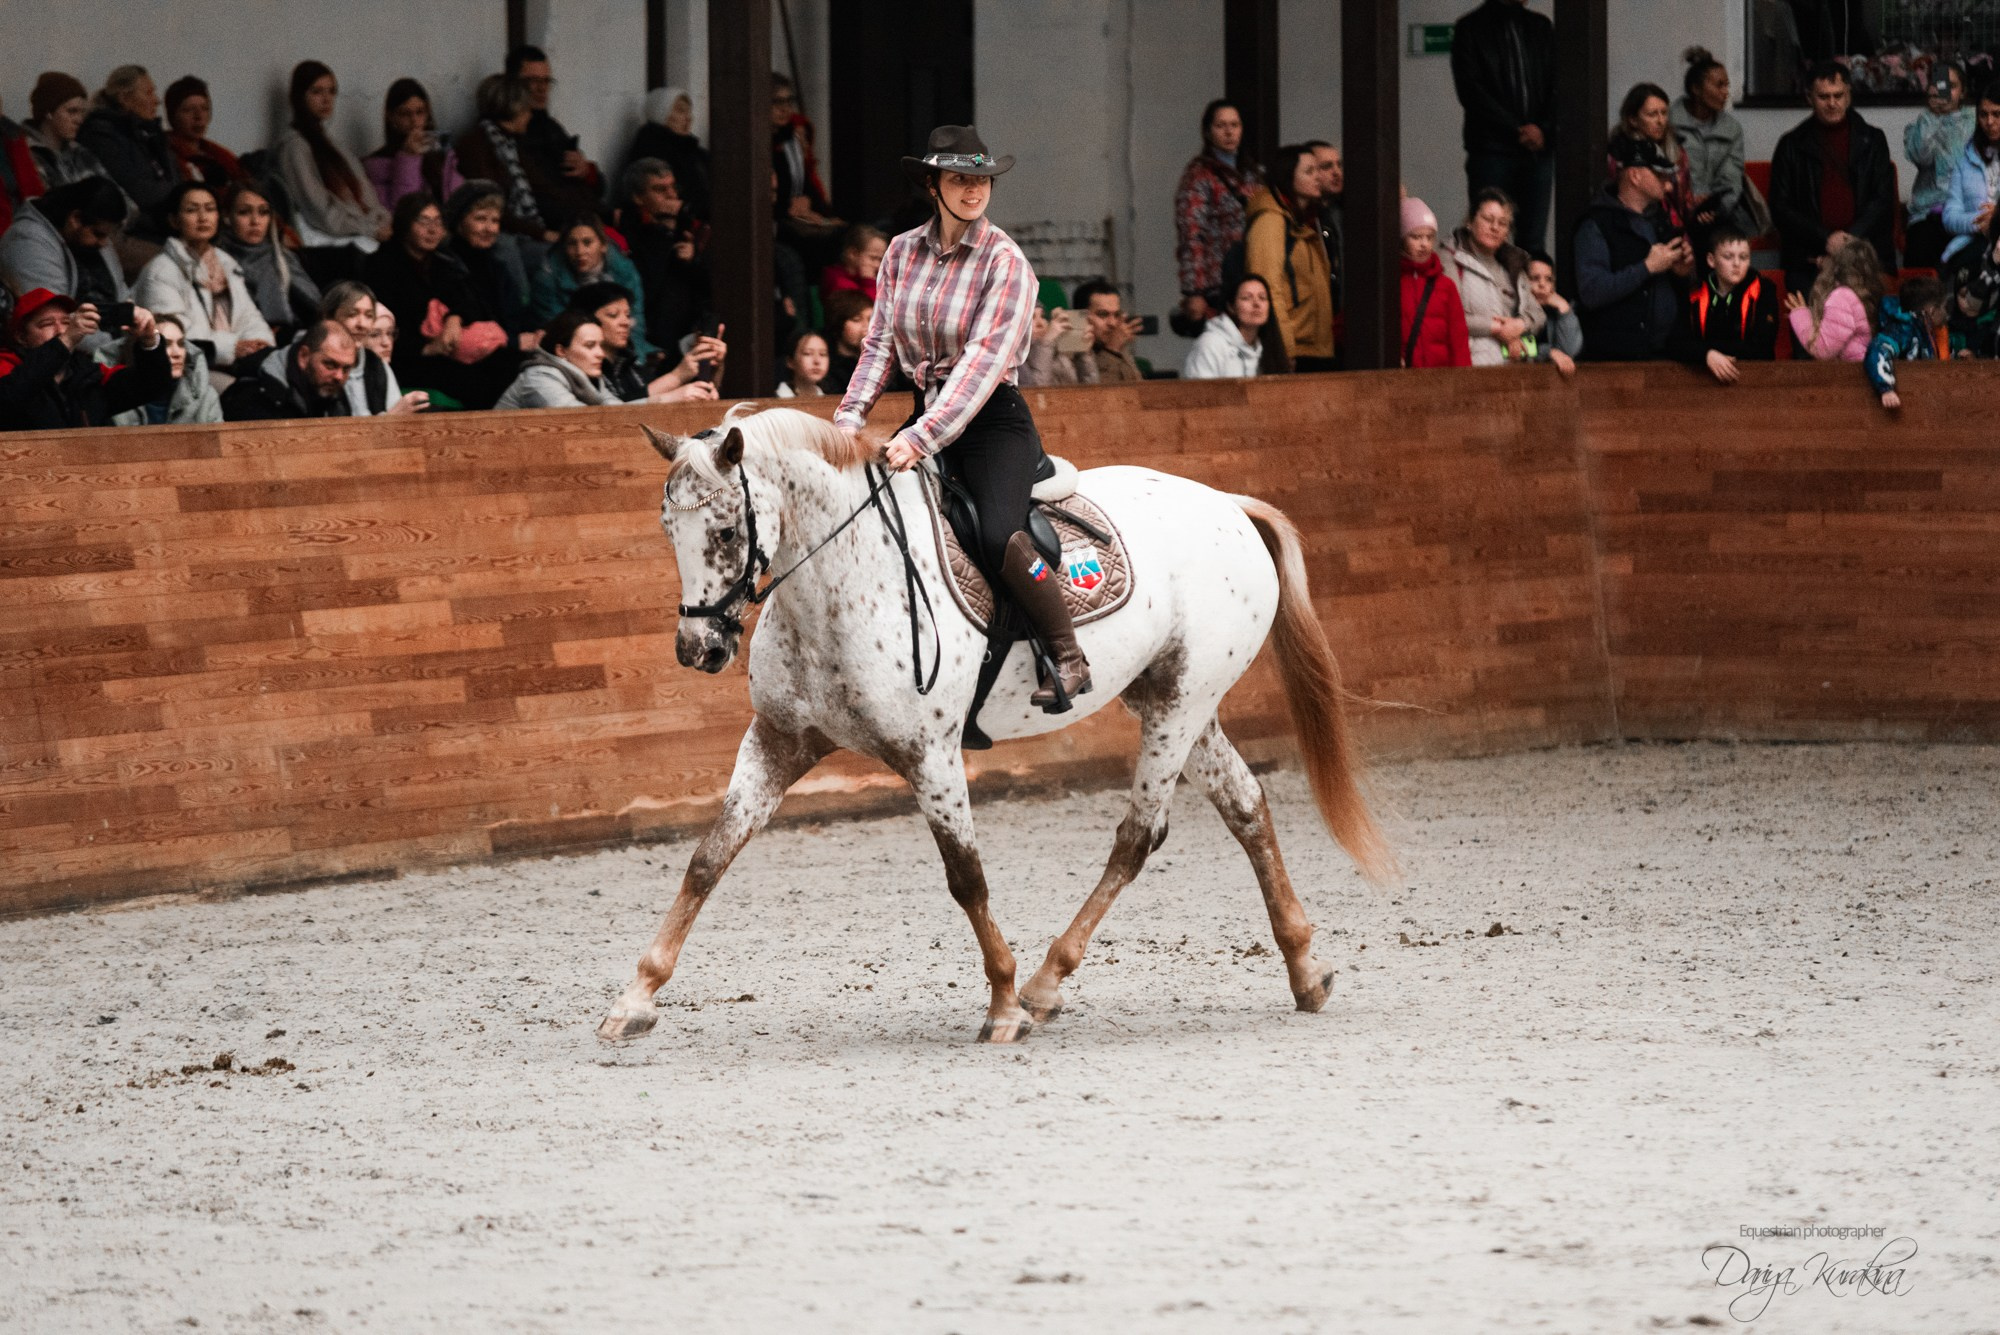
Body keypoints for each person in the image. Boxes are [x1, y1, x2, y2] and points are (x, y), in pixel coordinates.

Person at [835, 125, 1089, 711]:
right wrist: (847, 423)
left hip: (992, 421)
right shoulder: (900, 253)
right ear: (934, 185)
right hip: (928, 412)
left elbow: (981, 365)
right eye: (959, 179)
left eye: (981, 180)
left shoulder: (1007, 263)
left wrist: (922, 437)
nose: (974, 190)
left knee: (1000, 532)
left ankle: (1068, 653)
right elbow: (880, 347)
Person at [364, 191, 519, 410]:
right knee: (474, 382)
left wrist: (454, 318)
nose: (432, 229)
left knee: (510, 362)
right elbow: (384, 324)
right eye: (424, 221)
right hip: (410, 356)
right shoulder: (381, 266)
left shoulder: (444, 263)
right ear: (405, 224)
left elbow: (469, 302)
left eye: (437, 222)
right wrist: (427, 348)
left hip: (452, 347)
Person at [1768, 61, 1896, 293]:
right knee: (1809, 326)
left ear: (1848, 96)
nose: (1832, 103)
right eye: (1823, 97)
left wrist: (1848, 241)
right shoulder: (1791, 144)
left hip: (1863, 253)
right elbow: (1780, 207)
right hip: (1809, 259)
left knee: (1866, 325)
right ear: (1809, 98)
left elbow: (1884, 199)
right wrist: (1825, 239)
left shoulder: (1873, 140)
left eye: (1838, 95)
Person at [1451, 0, 1557, 254]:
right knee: (1488, 237)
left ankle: (1528, 293)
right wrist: (1518, 130)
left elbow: (1557, 84)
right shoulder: (1470, 28)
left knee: (1532, 242)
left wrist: (1543, 129)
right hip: (1492, 150)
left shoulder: (1540, 27)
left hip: (1537, 152)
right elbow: (1472, 92)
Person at [1574, 135, 1692, 361]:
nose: (1668, 185)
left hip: (1666, 353)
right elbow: (1591, 291)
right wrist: (1646, 267)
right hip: (1615, 360)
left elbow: (1677, 285)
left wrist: (1683, 271)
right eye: (1659, 176)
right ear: (1635, 176)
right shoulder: (1595, 224)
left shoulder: (1661, 219)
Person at [132, 180, 274, 366]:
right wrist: (232, 347)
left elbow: (249, 316)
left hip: (232, 360)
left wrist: (259, 342)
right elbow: (173, 330)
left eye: (210, 209)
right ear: (174, 220)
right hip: (185, 366)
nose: (203, 217)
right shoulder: (160, 271)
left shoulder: (225, 263)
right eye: (192, 210)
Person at [274, 62, 392, 275]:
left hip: (362, 231)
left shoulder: (334, 145)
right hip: (336, 240)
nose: (326, 99)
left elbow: (366, 194)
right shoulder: (295, 147)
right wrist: (371, 229)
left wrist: (381, 220)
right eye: (317, 92)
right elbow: (319, 210)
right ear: (300, 96)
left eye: (331, 91)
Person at [0, 289, 169, 431]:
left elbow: (151, 385)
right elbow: (9, 396)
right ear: (21, 337)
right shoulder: (8, 366)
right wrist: (66, 341)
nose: (60, 330)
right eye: (47, 324)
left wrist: (149, 339)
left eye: (67, 322)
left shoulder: (88, 373)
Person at [1243, 144, 1335, 371]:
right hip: (1294, 347)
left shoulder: (1306, 221)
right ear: (1288, 177)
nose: (1318, 177)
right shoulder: (1271, 221)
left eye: (1317, 170)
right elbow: (1268, 286)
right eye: (1309, 172)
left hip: (1315, 346)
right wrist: (1284, 348)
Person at [1173, 99, 1259, 328]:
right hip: (1217, 280)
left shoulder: (1252, 173)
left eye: (1235, 125)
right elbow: (1191, 234)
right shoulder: (1199, 176)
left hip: (1253, 273)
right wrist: (1195, 291)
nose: (1229, 132)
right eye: (1221, 126)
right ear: (1208, 132)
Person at [566, 279, 721, 404]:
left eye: (627, 315)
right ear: (587, 320)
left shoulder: (630, 364)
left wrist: (713, 365)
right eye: (613, 315)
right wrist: (678, 376)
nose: (625, 322)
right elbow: (613, 411)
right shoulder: (580, 365)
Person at [612, 158, 708, 355]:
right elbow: (649, 284)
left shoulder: (689, 226)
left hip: (692, 327)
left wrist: (693, 260)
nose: (672, 195)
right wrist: (663, 235)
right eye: (660, 190)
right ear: (638, 198)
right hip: (651, 329)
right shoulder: (627, 230)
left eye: (673, 187)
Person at [0, 176, 129, 321]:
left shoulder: (93, 237)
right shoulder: (27, 244)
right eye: (98, 234)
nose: (104, 243)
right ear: (76, 219)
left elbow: (122, 296)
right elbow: (53, 322)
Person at [453, 75, 560, 246]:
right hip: (501, 235)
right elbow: (491, 203)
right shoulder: (476, 146)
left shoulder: (512, 144)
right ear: (514, 108)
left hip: (528, 231)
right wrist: (542, 233)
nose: (530, 116)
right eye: (526, 109)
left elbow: (546, 189)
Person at [529, 214, 656, 358]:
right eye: (572, 244)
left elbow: (635, 322)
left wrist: (634, 360)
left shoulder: (624, 271)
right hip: (574, 351)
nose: (580, 251)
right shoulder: (548, 276)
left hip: (621, 347)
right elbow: (557, 330)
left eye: (587, 242)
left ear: (603, 246)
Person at [1443, 188, 1545, 366]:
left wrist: (1519, 326)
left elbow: (1538, 315)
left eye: (1503, 223)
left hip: (1514, 369)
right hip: (1469, 367)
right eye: (1488, 219)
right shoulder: (1451, 258)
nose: (1495, 227)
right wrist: (1497, 329)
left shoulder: (1513, 264)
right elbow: (1448, 315)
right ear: (1470, 221)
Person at [504, 45, 604, 221]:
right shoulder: (508, 133)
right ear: (513, 83)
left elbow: (596, 184)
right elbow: (544, 193)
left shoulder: (551, 127)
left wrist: (586, 171)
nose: (541, 89)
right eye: (532, 81)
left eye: (546, 81)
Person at [1668, 227, 1780, 383]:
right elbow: (1676, 342)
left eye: (1744, 257)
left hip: (1756, 380)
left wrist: (1708, 349)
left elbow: (1762, 348)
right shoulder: (1695, 293)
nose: (1737, 263)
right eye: (1728, 257)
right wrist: (1707, 354)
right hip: (1702, 382)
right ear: (1711, 260)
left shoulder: (1764, 290)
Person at [77, 66, 177, 240]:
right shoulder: (101, 135)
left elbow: (175, 179)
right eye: (148, 93)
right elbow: (139, 192)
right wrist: (178, 200)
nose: (157, 100)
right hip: (131, 232)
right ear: (124, 98)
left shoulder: (150, 134)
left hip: (165, 225)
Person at [215, 180, 320, 342]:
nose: (255, 221)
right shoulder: (214, 258)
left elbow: (316, 304)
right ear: (227, 216)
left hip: (287, 337)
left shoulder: (281, 257)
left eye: (263, 212)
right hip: (237, 342)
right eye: (244, 212)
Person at [1673, 48, 1760, 242]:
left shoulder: (1731, 129)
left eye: (1727, 86)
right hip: (1677, 210)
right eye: (1719, 86)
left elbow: (1731, 178)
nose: (1725, 93)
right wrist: (1691, 201)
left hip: (1718, 213)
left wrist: (1715, 209)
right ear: (1696, 89)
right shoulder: (1670, 124)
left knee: (1719, 236)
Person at [316, 279, 426, 415]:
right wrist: (390, 419)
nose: (362, 324)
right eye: (352, 314)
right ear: (328, 317)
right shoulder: (314, 362)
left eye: (369, 316)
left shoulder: (376, 365)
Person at [443, 181, 532, 345]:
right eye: (481, 218)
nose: (490, 228)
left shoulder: (497, 265)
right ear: (460, 221)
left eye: (495, 221)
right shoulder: (447, 265)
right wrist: (514, 343)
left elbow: (515, 317)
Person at [1903, 64, 1975, 269]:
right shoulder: (1920, 124)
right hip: (1930, 213)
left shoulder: (1977, 123)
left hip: (1969, 212)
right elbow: (1921, 157)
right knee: (1920, 250)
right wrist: (1933, 117)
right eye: (1939, 85)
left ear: (1963, 92)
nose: (1945, 92)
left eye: (1951, 86)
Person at [218, 318, 357, 420]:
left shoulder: (330, 389)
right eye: (330, 365)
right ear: (304, 356)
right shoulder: (255, 392)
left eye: (346, 369)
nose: (339, 376)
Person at [1612, 84, 1701, 238]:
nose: (1660, 121)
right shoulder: (1621, 155)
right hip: (1637, 230)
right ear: (1633, 120)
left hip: (1676, 231)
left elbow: (1686, 202)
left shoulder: (1677, 152)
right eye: (1652, 114)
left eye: (1664, 113)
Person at [364, 79, 464, 213]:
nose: (415, 121)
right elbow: (403, 210)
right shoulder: (377, 165)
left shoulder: (442, 154)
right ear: (391, 117)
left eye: (420, 112)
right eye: (405, 114)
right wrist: (408, 158)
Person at [494, 308, 620, 409]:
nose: (601, 354)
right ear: (561, 351)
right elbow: (581, 422)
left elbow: (622, 412)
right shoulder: (538, 378)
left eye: (601, 345)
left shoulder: (589, 378)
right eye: (590, 346)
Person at [111, 314, 223, 425]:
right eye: (165, 345)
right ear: (141, 351)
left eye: (181, 344)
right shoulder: (113, 396)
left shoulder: (206, 397)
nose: (177, 353)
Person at [1784, 233, 1882, 361]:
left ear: (1837, 265)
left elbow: (1823, 349)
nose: (1820, 260)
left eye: (1828, 256)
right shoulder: (1865, 291)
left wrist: (1800, 314)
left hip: (1852, 374)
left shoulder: (1843, 297)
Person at [1399, 198, 1472, 369]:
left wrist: (1463, 381)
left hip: (1440, 379)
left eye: (1430, 237)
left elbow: (1458, 340)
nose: (1424, 244)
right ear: (1402, 238)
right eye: (1416, 237)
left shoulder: (1445, 286)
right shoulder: (1390, 284)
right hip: (1402, 379)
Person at [625, 87, 711, 224]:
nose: (688, 118)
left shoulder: (695, 152)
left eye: (689, 111)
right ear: (662, 113)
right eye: (680, 110)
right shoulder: (651, 148)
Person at [1183, 273, 1288, 379]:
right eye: (1247, 298)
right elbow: (1198, 393)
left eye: (1262, 298)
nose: (1256, 303)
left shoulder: (1268, 347)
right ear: (1231, 306)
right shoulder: (1210, 344)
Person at [1865, 274, 1946, 410]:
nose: (1945, 313)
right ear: (1931, 311)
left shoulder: (1926, 330)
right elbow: (1877, 349)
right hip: (1907, 405)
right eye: (1943, 307)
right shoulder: (1903, 329)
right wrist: (1886, 388)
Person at [23, 73, 113, 193]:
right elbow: (41, 206)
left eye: (82, 113)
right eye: (72, 111)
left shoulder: (82, 154)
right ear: (48, 112)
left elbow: (118, 199)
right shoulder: (25, 154)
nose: (79, 120)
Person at [1941, 88, 2000, 265]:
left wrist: (1996, 218)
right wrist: (1981, 224)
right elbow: (1950, 216)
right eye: (1983, 114)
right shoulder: (1966, 159)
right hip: (1972, 242)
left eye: (1997, 114)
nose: (1989, 122)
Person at [162, 77, 246, 189]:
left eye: (204, 108)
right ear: (172, 116)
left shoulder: (218, 154)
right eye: (188, 110)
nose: (198, 116)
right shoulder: (166, 155)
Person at [1071, 278, 1145, 384]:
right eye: (1103, 314)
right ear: (1080, 317)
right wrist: (1112, 350)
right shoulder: (1069, 356)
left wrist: (1115, 350)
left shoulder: (1118, 347)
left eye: (1116, 315)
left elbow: (1138, 392)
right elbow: (1098, 396)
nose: (1113, 323)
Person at [1524, 251, 1582, 373]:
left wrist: (1564, 309)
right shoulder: (1513, 309)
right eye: (1535, 278)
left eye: (1548, 279)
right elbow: (1517, 349)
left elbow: (1568, 353)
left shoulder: (1556, 313)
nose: (1542, 284)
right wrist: (1548, 352)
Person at [1019, 305, 1098, 387]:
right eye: (1031, 317)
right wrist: (1046, 343)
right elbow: (1037, 394)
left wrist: (1084, 353)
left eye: (1042, 316)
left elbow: (1093, 392)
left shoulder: (1060, 357)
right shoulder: (1016, 363)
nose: (1041, 323)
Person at [820, 288, 872, 395]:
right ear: (838, 324)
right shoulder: (827, 366)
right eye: (856, 320)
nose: (866, 326)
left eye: (871, 319)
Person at [821, 224, 886, 305]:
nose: (877, 265)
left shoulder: (861, 278)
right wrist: (869, 282)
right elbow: (866, 311)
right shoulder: (839, 282)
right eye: (872, 258)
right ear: (853, 254)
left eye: (880, 259)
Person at [775, 327, 829, 398]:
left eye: (823, 354)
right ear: (790, 361)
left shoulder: (828, 399)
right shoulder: (779, 398)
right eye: (807, 353)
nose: (817, 361)